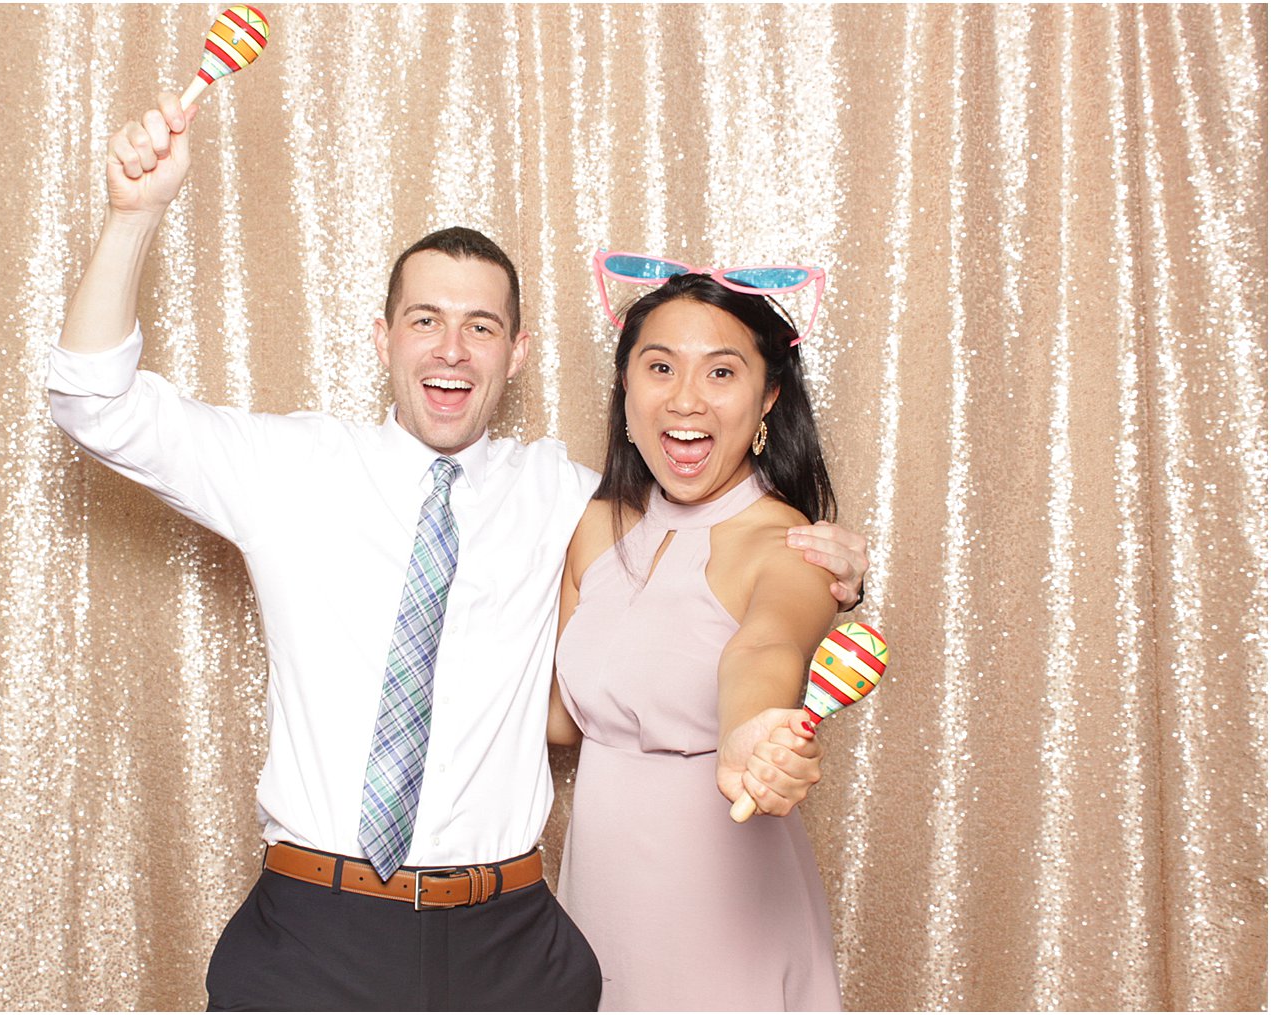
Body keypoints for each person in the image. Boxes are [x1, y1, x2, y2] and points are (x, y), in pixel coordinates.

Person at [46, 93, 869, 1010]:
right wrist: (132, 217)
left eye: (480, 326)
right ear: (383, 337)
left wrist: (824, 559)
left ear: (515, 354)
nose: (451, 348)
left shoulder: (568, 499)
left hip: (509, 939)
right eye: (425, 319)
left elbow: (725, 571)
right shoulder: (287, 466)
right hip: (315, 928)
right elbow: (94, 402)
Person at [548, 265, 848, 1010]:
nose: (686, 398)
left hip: (724, 908)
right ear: (625, 392)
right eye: (660, 368)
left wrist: (752, 738)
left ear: (768, 397)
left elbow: (765, 649)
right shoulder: (593, 527)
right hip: (598, 901)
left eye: (722, 371)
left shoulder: (790, 543)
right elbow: (557, 719)